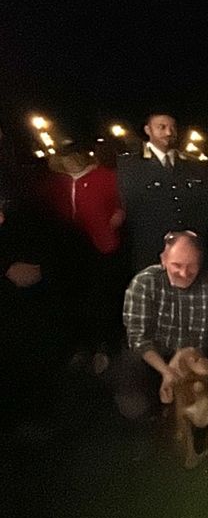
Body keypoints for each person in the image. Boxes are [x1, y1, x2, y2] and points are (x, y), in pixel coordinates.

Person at [119, 231, 208, 419]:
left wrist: (186, 360)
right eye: (177, 265)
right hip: (154, 359)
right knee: (134, 405)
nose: (184, 273)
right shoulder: (144, 282)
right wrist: (166, 371)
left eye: (191, 266)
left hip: (195, 361)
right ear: (163, 260)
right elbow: (137, 338)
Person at [45, 143, 125, 371]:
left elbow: (120, 204)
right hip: (69, 251)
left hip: (101, 247)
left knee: (101, 298)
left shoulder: (104, 177)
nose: (68, 161)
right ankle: (80, 346)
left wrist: (116, 218)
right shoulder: (58, 182)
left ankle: (104, 347)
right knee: (74, 298)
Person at [117, 112, 208, 272]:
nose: (169, 132)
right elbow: (132, 207)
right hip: (150, 249)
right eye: (162, 127)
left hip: (188, 249)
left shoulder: (193, 165)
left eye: (172, 128)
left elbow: (206, 202)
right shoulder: (131, 166)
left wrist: (192, 234)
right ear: (148, 130)